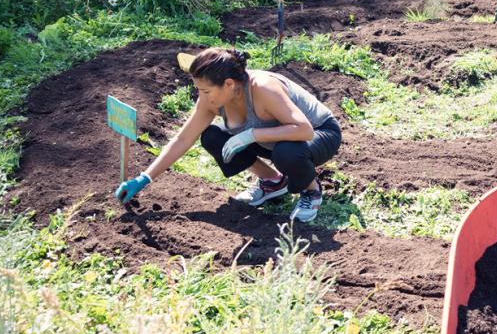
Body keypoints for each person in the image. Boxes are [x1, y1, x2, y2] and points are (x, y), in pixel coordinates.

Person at [114, 48, 343, 223]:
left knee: (287, 151)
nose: (201, 96)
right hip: (274, 138)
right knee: (212, 136)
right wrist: (145, 178)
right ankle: (273, 182)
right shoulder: (211, 98)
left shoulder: (262, 88)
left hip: (319, 133)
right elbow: (183, 139)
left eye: (205, 90)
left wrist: (250, 135)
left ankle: (311, 191)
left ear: (229, 84)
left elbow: (304, 130)